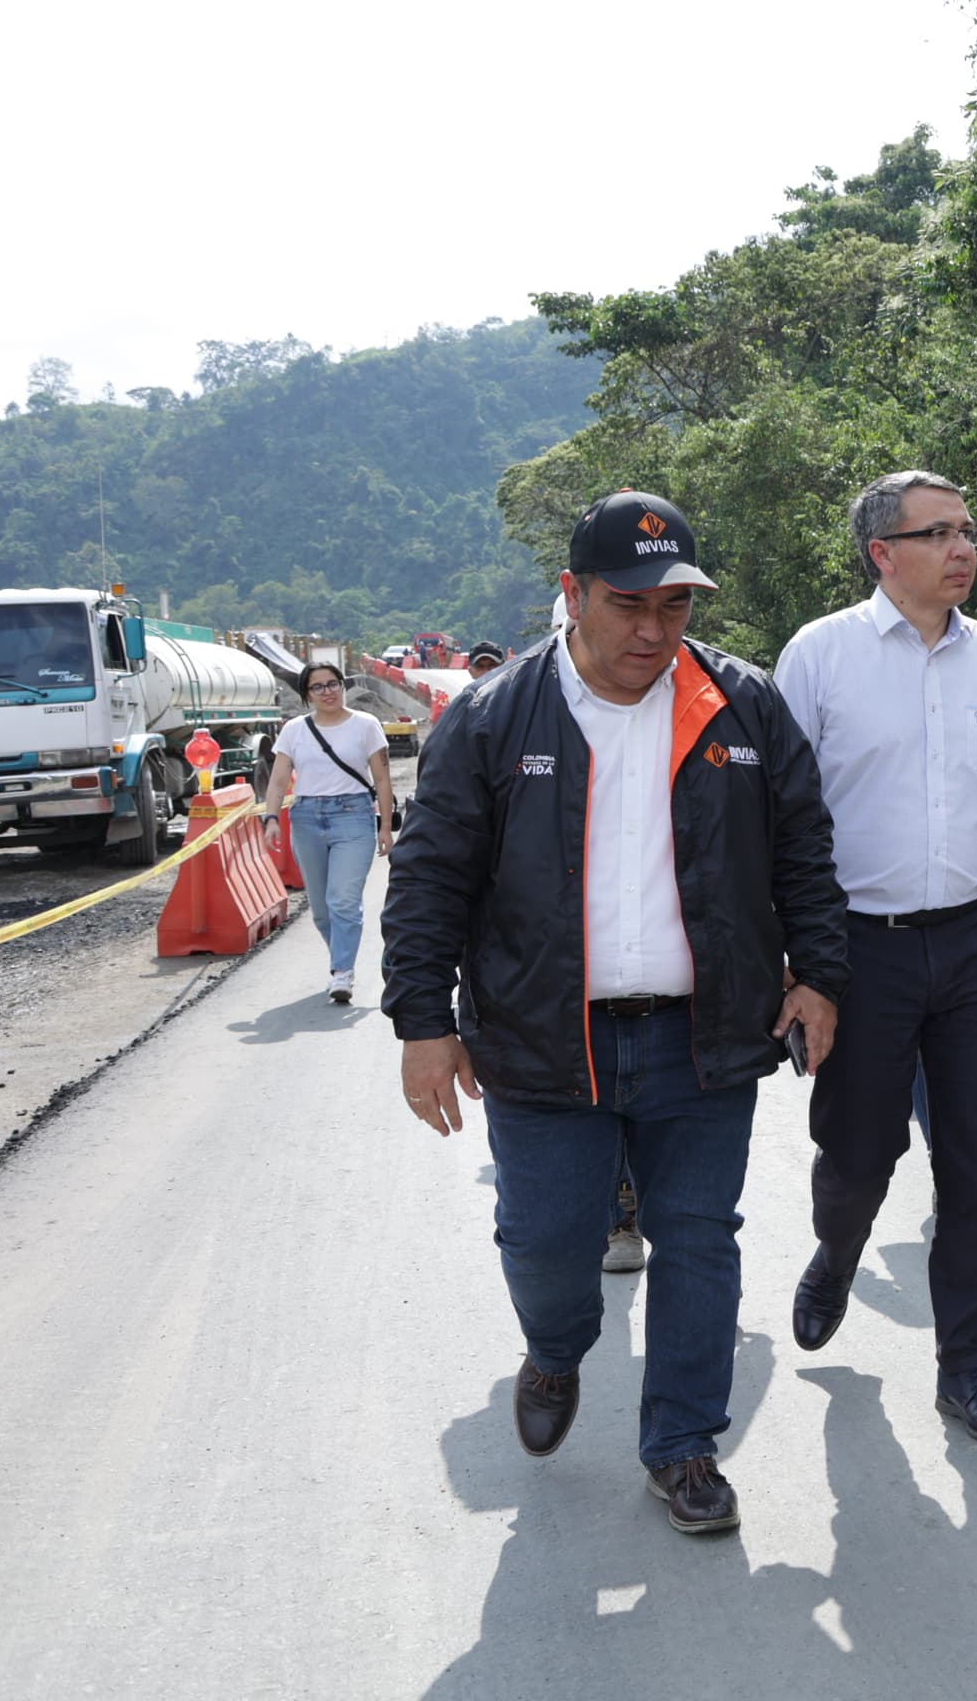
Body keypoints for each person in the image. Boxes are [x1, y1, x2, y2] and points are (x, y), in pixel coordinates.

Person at [381, 489, 850, 1535]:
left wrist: (818, 974)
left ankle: (684, 1444)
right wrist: (423, 1023)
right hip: (546, 1040)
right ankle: (554, 1352)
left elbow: (805, 854)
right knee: (547, 1245)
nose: (653, 630)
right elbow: (429, 879)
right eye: (628, 605)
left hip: (703, 1036)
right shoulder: (498, 716)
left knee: (699, 1237)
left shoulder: (741, 706)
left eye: (674, 606)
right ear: (573, 594)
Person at [771, 470, 977, 1446]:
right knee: (860, 1154)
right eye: (939, 533)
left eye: (970, 529)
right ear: (882, 554)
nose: (964, 548)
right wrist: (794, 957)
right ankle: (836, 1253)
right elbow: (781, 818)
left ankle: (966, 1371)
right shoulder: (820, 658)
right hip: (859, 948)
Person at [263, 661, 395, 1004]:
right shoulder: (294, 729)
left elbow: (382, 778)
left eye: (333, 683)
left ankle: (342, 972)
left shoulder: (366, 725)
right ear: (307, 694)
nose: (328, 691)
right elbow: (278, 780)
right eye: (318, 687)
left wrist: (385, 825)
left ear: (343, 685)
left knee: (343, 901)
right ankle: (340, 962)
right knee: (321, 910)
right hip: (307, 818)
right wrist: (271, 818)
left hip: (354, 817)